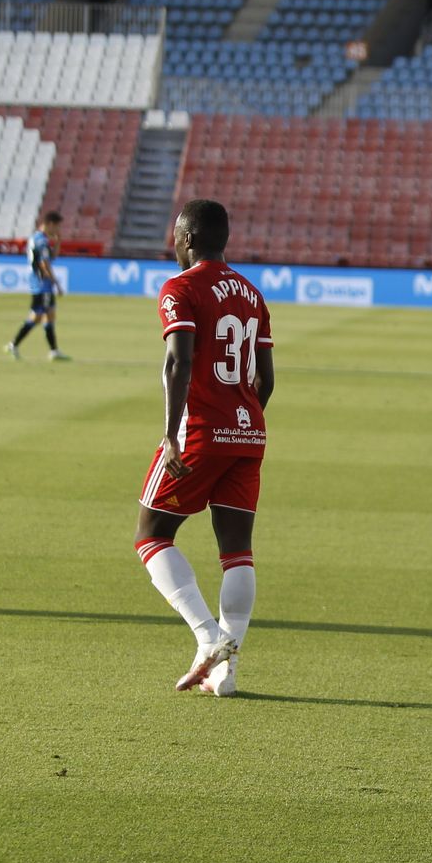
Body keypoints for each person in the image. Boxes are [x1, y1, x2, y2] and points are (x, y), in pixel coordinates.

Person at [133, 199, 273, 697]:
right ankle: (226, 672)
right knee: (236, 551)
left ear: (188, 238)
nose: (172, 243)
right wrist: (242, 422)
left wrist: (172, 434)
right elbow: (267, 379)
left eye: (175, 234)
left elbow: (179, 361)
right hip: (248, 433)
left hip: (198, 433)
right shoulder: (252, 294)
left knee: (151, 536)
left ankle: (208, 637)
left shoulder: (181, 287)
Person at [6, 210, 68, 361]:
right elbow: (44, 263)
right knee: (37, 317)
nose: (58, 230)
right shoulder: (41, 241)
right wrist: (56, 282)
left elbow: (51, 257)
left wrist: (58, 241)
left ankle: (53, 351)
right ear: (50, 224)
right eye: (57, 227)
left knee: (49, 314)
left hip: (40, 283)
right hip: (42, 284)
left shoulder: (38, 239)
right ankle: (14, 344)